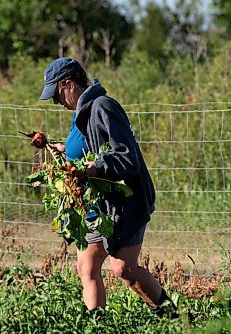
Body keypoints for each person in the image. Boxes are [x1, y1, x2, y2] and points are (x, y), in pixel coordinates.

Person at [40, 57, 177, 318]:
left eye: (56, 94)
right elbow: (87, 147)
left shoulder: (103, 107)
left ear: (68, 84)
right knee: (87, 266)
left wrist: (93, 169)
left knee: (124, 270)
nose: (56, 102)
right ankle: (97, 325)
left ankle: (175, 318)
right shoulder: (80, 111)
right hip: (97, 204)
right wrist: (66, 153)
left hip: (124, 203)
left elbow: (126, 157)